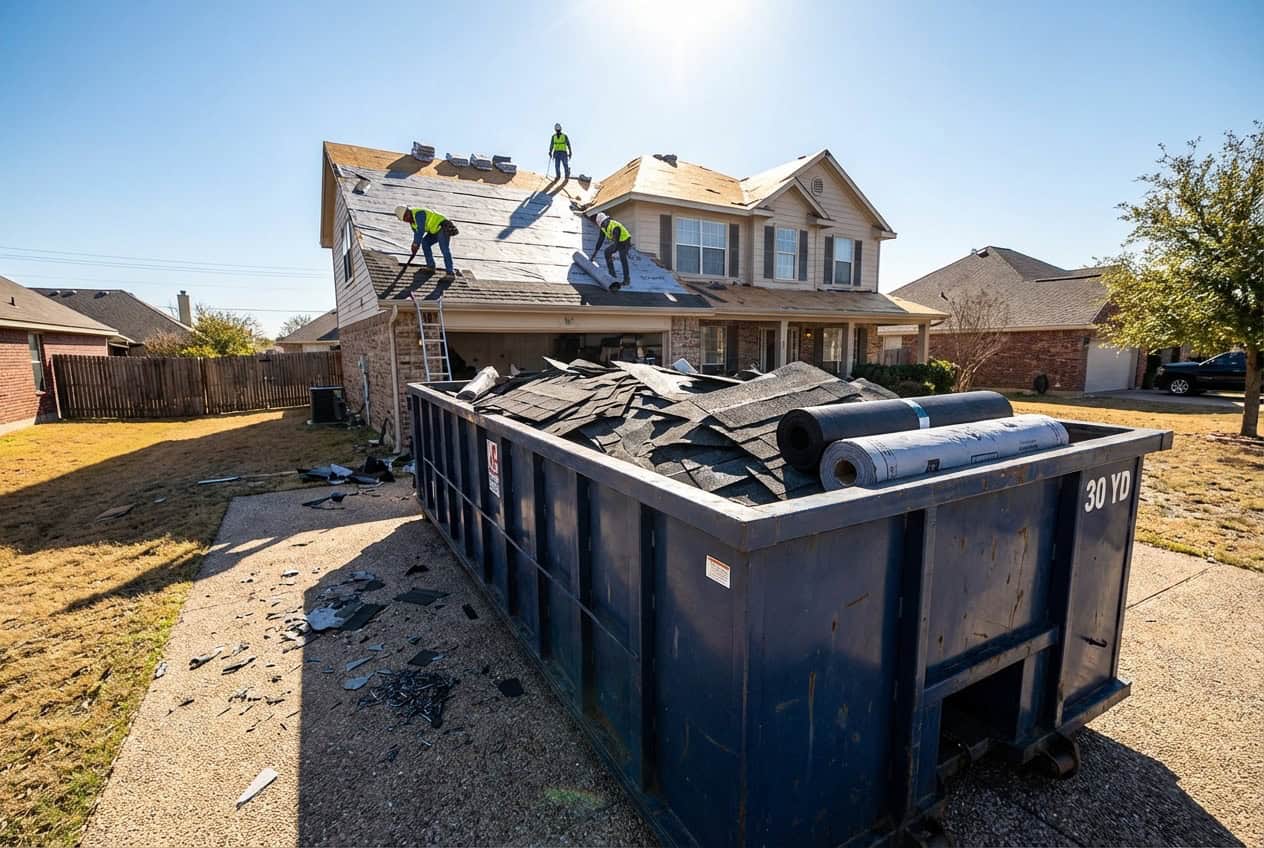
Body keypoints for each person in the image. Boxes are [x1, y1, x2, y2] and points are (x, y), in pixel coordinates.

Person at [395, 205, 456, 276]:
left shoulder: (418, 214)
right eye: (404, 220)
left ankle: (450, 272)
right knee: (425, 242)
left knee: (444, 249)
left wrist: (416, 244)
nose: (406, 220)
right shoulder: (412, 223)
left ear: (408, 213)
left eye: (406, 217)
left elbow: (420, 230)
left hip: (442, 226)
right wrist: (414, 245)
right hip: (434, 231)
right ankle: (431, 266)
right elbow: (417, 234)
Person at [592, 212, 631, 286]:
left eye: (603, 224)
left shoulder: (614, 227)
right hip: (618, 242)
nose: (603, 226)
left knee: (622, 257)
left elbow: (616, 244)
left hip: (625, 241)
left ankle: (627, 280)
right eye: (601, 225)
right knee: (607, 252)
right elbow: (600, 240)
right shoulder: (603, 228)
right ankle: (612, 275)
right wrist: (594, 253)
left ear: (606, 220)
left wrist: (613, 252)